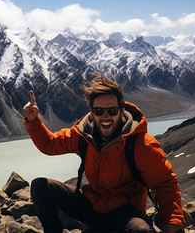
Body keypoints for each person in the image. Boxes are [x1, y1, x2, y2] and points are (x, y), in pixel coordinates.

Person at [23, 72, 184, 233]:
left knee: (141, 231)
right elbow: (49, 145)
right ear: (92, 113)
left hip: (125, 213)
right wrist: (33, 120)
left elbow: (165, 184)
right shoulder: (83, 135)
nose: (105, 116)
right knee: (40, 186)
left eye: (112, 110)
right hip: (92, 205)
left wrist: (173, 225)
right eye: (99, 111)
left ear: (121, 111)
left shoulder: (141, 144)